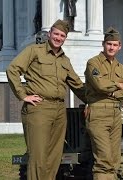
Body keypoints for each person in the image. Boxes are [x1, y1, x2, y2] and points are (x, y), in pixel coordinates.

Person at [6, 19, 87, 180]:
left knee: (54, 157)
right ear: (49, 33)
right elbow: (12, 69)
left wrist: (93, 100)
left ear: (65, 38)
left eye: (62, 35)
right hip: (39, 108)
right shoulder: (34, 51)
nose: (58, 37)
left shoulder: (65, 60)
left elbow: (77, 85)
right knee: (38, 157)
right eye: (56, 34)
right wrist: (23, 95)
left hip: (59, 111)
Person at [84, 27, 123, 180]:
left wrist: (112, 90)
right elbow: (99, 85)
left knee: (114, 159)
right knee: (103, 159)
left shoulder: (121, 68)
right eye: (108, 44)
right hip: (98, 113)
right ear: (103, 44)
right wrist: (117, 86)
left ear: (120, 46)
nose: (111, 47)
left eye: (114, 44)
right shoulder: (93, 63)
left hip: (115, 114)